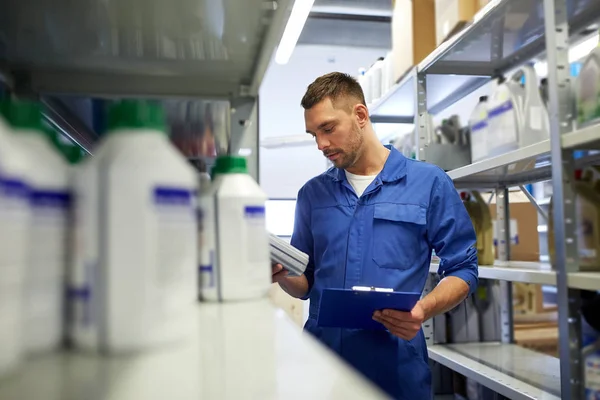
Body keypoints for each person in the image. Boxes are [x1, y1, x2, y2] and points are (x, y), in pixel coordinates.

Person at [272, 72, 479, 400]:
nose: (321, 145)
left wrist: (423, 310)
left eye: (327, 129)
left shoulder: (429, 183)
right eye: (314, 134)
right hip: (322, 366)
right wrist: (282, 275)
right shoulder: (312, 194)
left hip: (395, 370)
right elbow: (305, 282)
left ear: (360, 116)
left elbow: (464, 269)